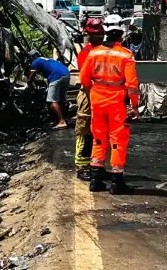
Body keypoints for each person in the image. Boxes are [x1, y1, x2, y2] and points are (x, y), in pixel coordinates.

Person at [79, 18, 139, 194]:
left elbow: (83, 80)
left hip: (97, 102)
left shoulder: (93, 53)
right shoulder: (126, 55)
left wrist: (94, 96)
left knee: (98, 139)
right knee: (117, 141)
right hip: (117, 104)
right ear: (121, 34)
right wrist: (134, 107)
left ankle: (95, 181)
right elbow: (132, 85)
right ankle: (117, 183)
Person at [74, 17, 105, 179]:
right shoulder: (85, 53)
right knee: (84, 129)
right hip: (88, 94)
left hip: (102, 96)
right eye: (97, 34)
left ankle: (96, 165)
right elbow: (87, 79)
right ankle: (81, 167)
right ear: (89, 35)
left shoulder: (104, 52)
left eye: (101, 34)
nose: (100, 37)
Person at [28, 50, 71, 129]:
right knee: (61, 100)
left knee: (52, 101)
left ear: (31, 57)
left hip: (56, 76)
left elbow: (31, 78)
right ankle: (64, 118)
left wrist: (30, 86)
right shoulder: (48, 59)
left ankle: (62, 121)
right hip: (66, 74)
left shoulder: (35, 62)